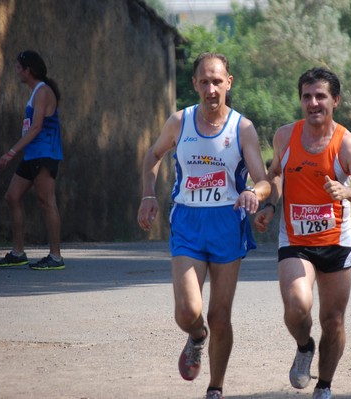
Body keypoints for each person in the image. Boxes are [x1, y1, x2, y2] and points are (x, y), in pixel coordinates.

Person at [137, 52, 269, 399]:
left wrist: (254, 192)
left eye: (217, 81)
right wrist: (148, 195)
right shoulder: (179, 122)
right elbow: (153, 155)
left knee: (220, 316)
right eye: (204, 81)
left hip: (228, 221)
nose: (211, 88)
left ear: (229, 82)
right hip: (188, 222)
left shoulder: (242, 128)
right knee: (188, 311)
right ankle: (197, 337)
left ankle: (215, 388)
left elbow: (263, 179)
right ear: (195, 84)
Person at [255, 67, 351, 399]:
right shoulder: (284, 136)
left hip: (336, 242)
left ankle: (324, 386)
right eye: (307, 96)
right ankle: (304, 345)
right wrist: (268, 205)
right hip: (296, 241)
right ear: (300, 100)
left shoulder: (348, 146)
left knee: (333, 320)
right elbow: (275, 175)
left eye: (320, 96)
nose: (313, 103)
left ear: (335, 101)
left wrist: (346, 191)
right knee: (297, 306)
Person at [0, 50, 65, 270]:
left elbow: (36, 128)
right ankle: (18, 252)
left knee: (47, 201)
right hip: (32, 155)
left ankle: (55, 257)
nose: (16, 71)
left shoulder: (43, 91)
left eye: (18, 67)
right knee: (12, 197)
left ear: (28, 70)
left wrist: (11, 152)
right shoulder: (35, 92)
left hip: (45, 154)